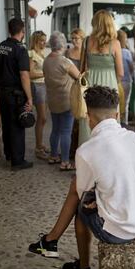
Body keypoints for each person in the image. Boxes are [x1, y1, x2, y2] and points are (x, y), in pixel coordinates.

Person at [29, 86, 135, 269]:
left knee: (81, 208)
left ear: (88, 117)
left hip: (121, 230)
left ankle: (81, 268)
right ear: (117, 113)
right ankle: (50, 242)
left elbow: (82, 195)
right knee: (81, 190)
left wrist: (95, 199)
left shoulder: (87, 151)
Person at [0, 18, 33, 171]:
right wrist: (29, 97)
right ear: (22, 31)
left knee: (6, 123)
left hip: (2, 92)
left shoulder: (0, 47)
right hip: (15, 93)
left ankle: (8, 154)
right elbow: (24, 74)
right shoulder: (20, 49)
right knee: (17, 125)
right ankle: (17, 161)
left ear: (9, 30)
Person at [78, 9, 124, 146]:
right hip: (110, 84)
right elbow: (121, 72)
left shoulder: (87, 41)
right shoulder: (115, 44)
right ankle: (110, 149)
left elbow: (82, 68)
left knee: (89, 117)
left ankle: (88, 149)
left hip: (91, 84)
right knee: (110, 119)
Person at [43, 31, 80, 171]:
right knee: (66, 131)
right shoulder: (64, 61)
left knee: (56, 129)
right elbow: (79, 77)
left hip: (52, 99)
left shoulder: (46, 60)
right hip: (66, 100)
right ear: (62, 45)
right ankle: (65, 161)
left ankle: (53, 155)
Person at [29, 31, 49, 160]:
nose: (44, 42)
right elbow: (30, 74)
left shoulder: (42, 53)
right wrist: (45, 73)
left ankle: (40, 144)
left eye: (45, 40)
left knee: (44, 118)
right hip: (37, 86)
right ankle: (37, 148)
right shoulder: (31, 54)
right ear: (36, 41)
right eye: (42, 40)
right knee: (41, 117)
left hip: (44, 86)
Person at [117, 29, 134, 127]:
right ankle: (124, 122)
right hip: (126, 80)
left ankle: (118, 121)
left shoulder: (114, 51)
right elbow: (131, 67)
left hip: (116, 80)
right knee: (126, 103)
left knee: (116, 102)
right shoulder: (126, 52)